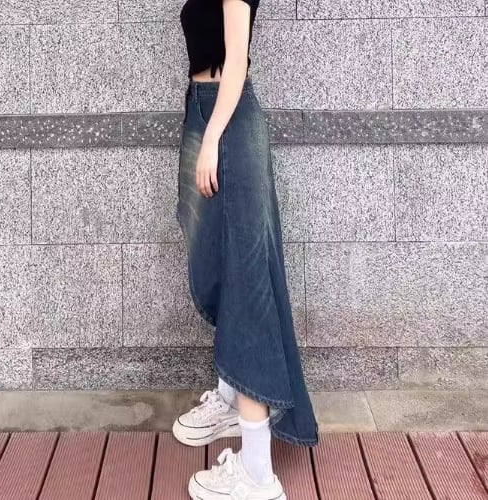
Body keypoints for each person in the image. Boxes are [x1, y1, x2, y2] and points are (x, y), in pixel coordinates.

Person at [175, 0, 319, 498]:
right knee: (213, 262)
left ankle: (258, 471)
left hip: (227, 118)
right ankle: (232, 395)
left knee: (246, 277)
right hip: (202, 109)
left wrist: (213, 137)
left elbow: (236, 57)